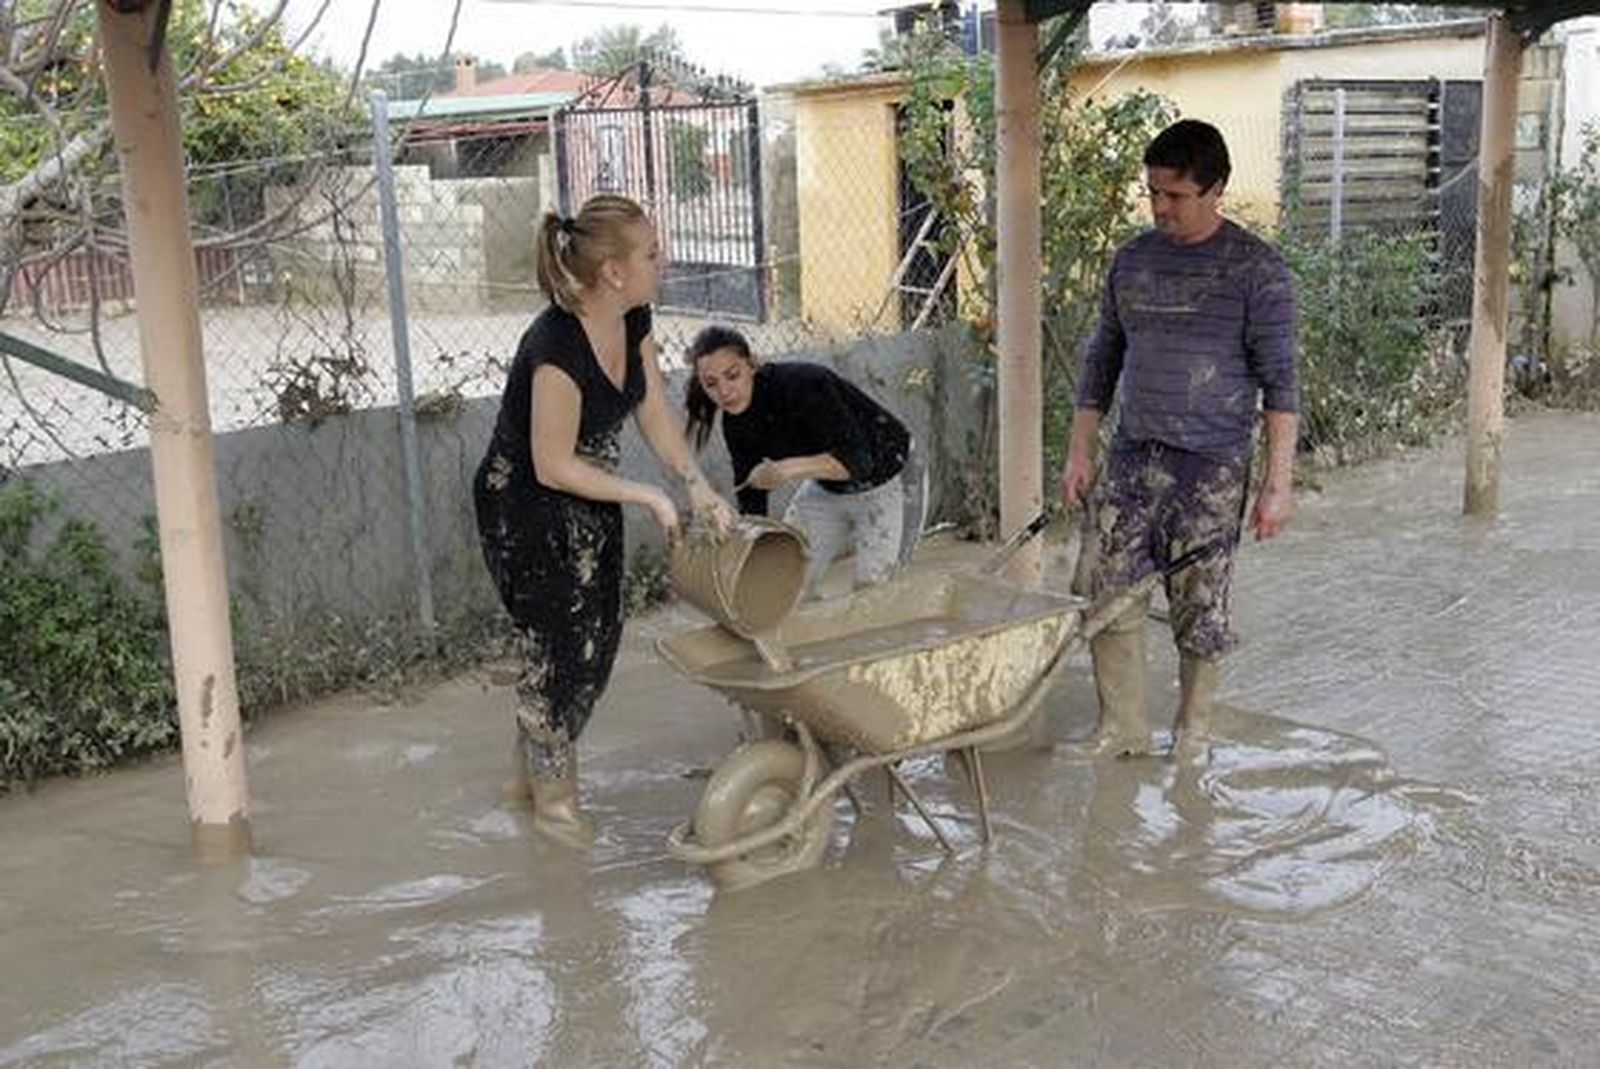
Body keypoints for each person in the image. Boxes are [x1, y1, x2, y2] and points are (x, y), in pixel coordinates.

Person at [473, 194, 735, 849]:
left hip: (591, 490)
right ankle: (555, 807)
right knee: (562, 647)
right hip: (526, 502)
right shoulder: (555, 344)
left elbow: (649, 409)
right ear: (613, 270)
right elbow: (552, 462)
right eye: (651, 252)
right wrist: (646, 496)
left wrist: (696, 486)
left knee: (599, 642)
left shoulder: (634, 314)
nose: (663, 260)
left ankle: (526, 776)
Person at [1059, 119, 1299, 760]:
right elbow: (1101, 360)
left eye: (1176, 195)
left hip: (1212, 466)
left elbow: (1281, 386)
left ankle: (1193, 734)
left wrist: (1278, 485)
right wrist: (1079, 450)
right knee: (1108, 591)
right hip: (1133, 455)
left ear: (1215, 188)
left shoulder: (1258, 270)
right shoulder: (1133, 260)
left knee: (1200, 605)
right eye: (1154, 194)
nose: (1161, 207)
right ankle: (1122, 729)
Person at [684, 325, 912, 596]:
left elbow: (858, 463)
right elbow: (752, 501)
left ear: (752, 364)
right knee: (786, 582)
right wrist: (740, 543)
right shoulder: (734, 423)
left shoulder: (804, 384)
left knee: (872, 591)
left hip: (886, 476)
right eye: (711, 383)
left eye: (732, 375)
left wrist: (784, 470)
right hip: (828, 485)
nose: (724, 391)